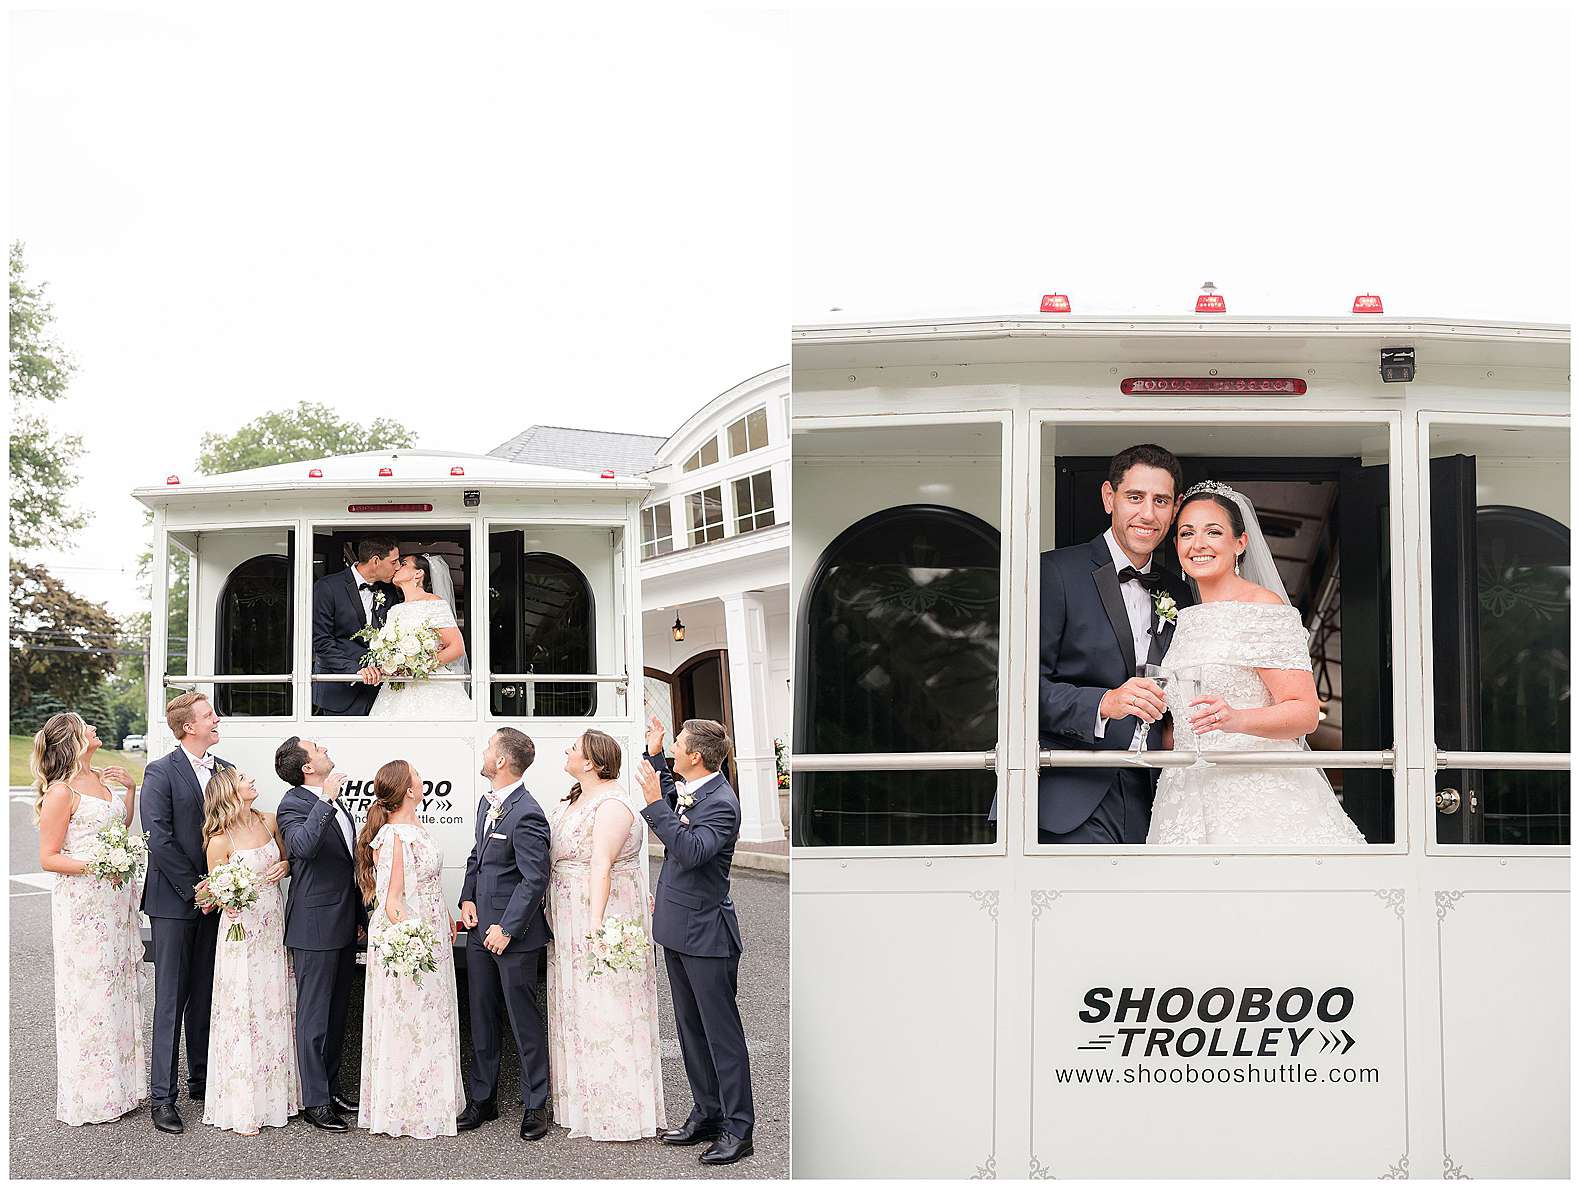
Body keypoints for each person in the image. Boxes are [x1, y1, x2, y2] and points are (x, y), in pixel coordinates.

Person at [1146, 481, 1368, 847]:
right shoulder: (1186, 618)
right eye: (1186, 533)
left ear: (1240, 543)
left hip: (1256, 796)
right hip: (1185, 791)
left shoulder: (1263, 609)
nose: (1197, 543)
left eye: (1213, 532)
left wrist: (1236, 719)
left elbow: (1305, 713)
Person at [1027, 443, 1196, 844]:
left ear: (1175, 509)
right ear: (1109, 498)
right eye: (1134, 498)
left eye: (1161, 501)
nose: (1148, 514)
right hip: (1071, 793)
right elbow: (1017, 691)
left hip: (1156, 794)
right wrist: (1104, 704)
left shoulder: (1182, 592)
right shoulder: (1053, 572)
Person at [635, 717, 754, 1166]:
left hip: (707, 933)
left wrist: (654, 805)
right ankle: (706, 1112)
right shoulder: (695, 788)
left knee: (721, 1035)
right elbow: (672, 798)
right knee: (689, 1029)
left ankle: (739, 1129)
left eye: (679, 746)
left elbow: (692, 850)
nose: (676, 751)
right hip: (676, 927)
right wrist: (656, 753)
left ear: (697, 757)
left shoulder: (722, 803)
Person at [545, 730, 666, 1141]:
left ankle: (616, 1104)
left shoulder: (612, 804)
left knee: (606, 1002)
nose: (566, 750)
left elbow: (602, 865)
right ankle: (582, 1098)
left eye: (573, 748)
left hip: (598, 911)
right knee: (577, 1003)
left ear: (592, 762)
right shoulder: (576, 796)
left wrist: (594, 924)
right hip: (568, 910)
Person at [33, 712, 145, 1126]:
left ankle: (123, 1088)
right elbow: (48, 857)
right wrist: (99, 867)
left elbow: (118, 826)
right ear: (74, 739)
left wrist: (129, 792)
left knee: (118, 987)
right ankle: (93, 1095)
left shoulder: (100, 778)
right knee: (90, 995)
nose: (95, 728)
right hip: (83, 907)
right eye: (87, 725)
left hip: (115, 902)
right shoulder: (60, 791)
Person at [355, 760, 465, 1139]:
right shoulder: (395, 837)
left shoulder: (417, 828)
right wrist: (411, 941)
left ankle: (432, 1096)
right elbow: (394, 899)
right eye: (417, 776)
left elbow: (427, 881)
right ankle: (407, 1105)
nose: (422, 780)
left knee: (432, 1013)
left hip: (433, 925)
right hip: (412, 934)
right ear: (408, 791)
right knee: (411, 1016)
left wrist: (445, 913)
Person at [456, 728, 554, 1142]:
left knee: (522, 1019)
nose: (483, 753)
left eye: (488, 748)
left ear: (501, 762)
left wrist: (508, 928)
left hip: (512, 937)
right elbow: (478, 855)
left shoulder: (527, 813)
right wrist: (466, 899)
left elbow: (535, 879)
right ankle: (484, 1098)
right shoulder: (486, 802)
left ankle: (536, 1103)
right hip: (479, 931)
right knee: (481, 1014)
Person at [140, 691, 229, 1133]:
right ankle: (162, 1097)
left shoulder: (226, 771)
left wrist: (225, 883)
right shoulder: (160, 771)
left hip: (217, 898)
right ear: (188, 727)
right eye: (209, 714)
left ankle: (201, 1079)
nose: (217, 719)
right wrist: (197, 888)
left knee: (206, 990)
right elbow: (158, 837)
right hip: (174, 901)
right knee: (171, 998)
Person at [199, 766, 299, 1135]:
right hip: (240, 934)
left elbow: (288, 864)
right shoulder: (220, 840)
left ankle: (278, 1099)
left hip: (272, 926)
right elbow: (213, 891)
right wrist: (217, 893)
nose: (251, 781)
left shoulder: (269, 821)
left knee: (273, 1005)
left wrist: (286, 865)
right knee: (244, 1010)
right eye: (245, 778)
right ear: (230, 791)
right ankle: (243, 1105)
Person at [273, 736, 364, 1131]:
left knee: (337, 1011)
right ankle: (314, 1101)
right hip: (314, 925)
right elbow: (303, 848)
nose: (326, 747)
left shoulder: (336, 800)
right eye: (317, 748)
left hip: (344, 921)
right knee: (314, 1016)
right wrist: (326, 799)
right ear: (307, 767)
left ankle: (330, 1087)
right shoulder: (293, 804)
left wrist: (360, 914)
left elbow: (345, 862)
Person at [368, 553, 471, 719]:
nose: (396, 568)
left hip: (429, 683)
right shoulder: (395, 610)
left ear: (418, 573)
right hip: (398, 686)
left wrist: (417, 667)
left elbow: (457, 647)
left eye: (403, 564)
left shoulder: (434, 603)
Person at [312, 537, 401, 716]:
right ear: (376, 561)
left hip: (381, 693)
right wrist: (356, 671)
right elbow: (321, 642)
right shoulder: (327, 587)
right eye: (394, 562)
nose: (398, 566)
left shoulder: (389, 592)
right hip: (340, 691)